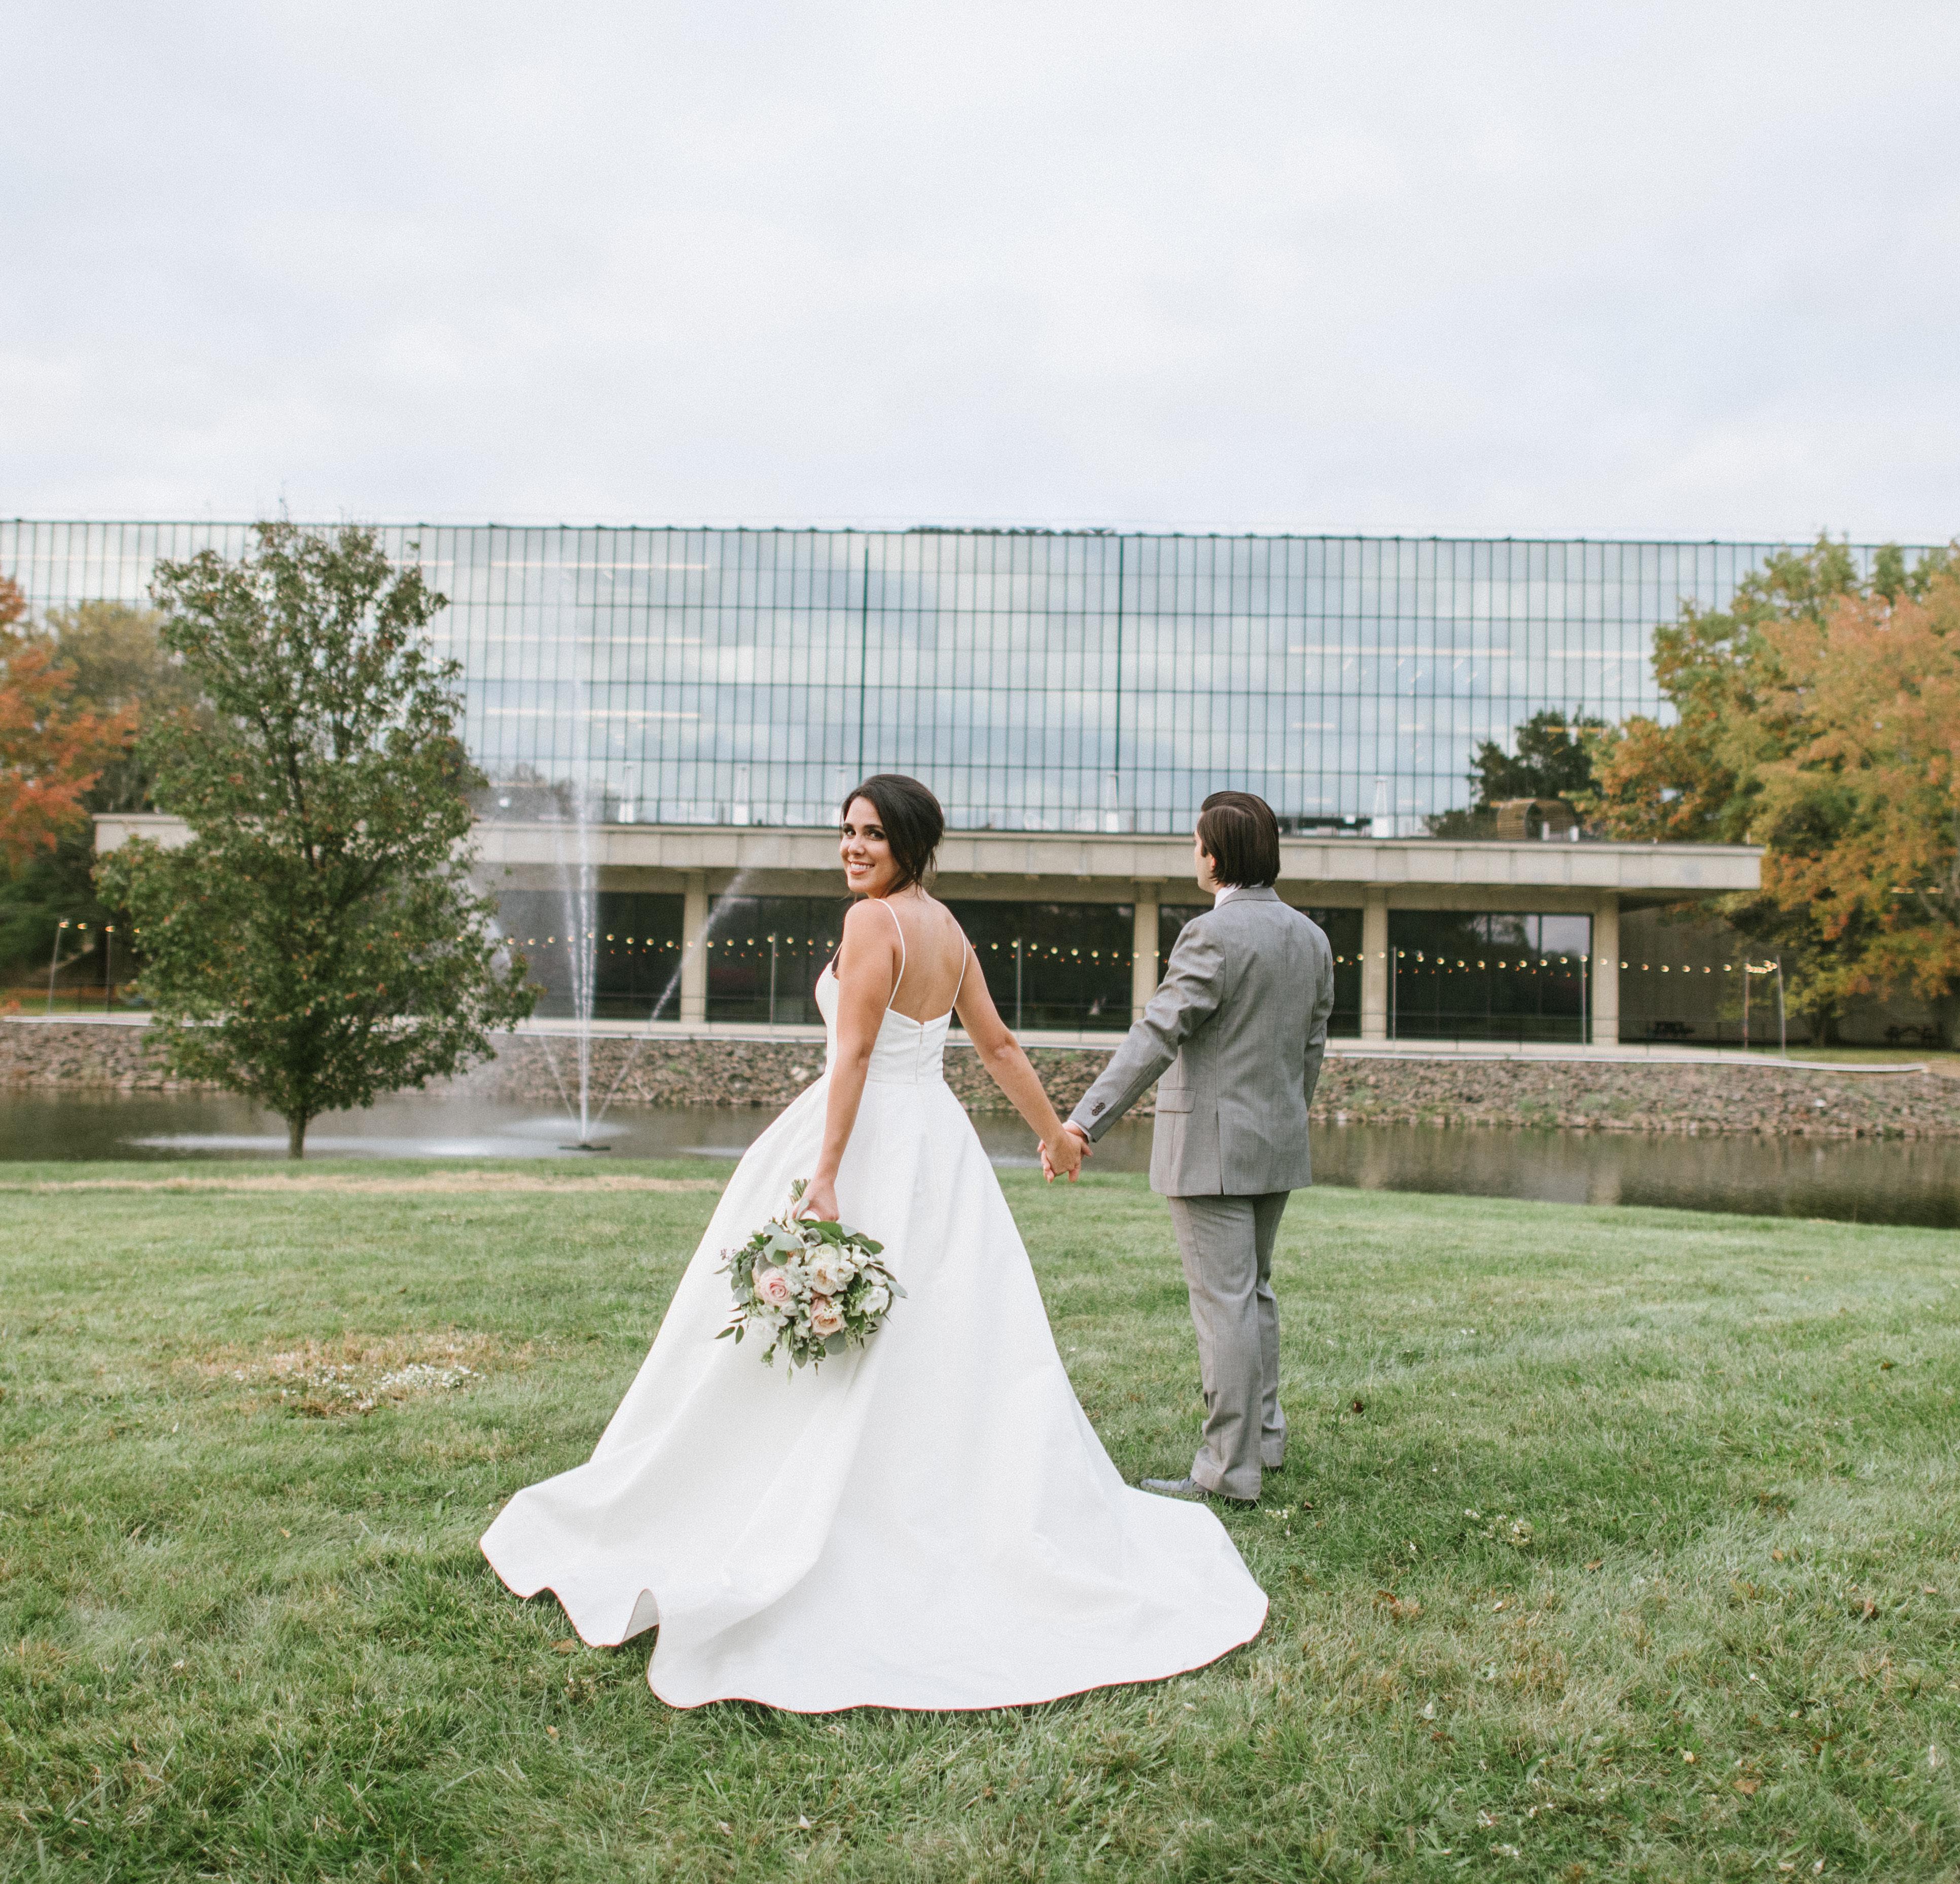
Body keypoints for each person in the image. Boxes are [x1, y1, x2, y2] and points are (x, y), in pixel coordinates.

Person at [482, 773, 1266, 1712]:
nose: (852, 848)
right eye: (846, 831)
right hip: (937, 1145)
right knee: (940, 1328)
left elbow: (854, 1055)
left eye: (872, 835)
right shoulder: (949, 929)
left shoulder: (872, 924)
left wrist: (824, 1176)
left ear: (909, 844)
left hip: (867, 1138)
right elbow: (997, 1047)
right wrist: (1052, 1135)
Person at [1049, 791, 1335, 1506]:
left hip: (1210, 1149)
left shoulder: (1210, 935)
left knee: (1224, 1306)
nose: (1194, 854)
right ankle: (1263, 1442)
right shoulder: (1311, 938)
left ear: (1216, 855)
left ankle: (1227, 1470)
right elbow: (1312, 1049)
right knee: (1253, 1294)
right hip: (1276, 1140)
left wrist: (1083, 1123)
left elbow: (1156, 1034)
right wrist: (1286, 1118)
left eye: (1197, 843)